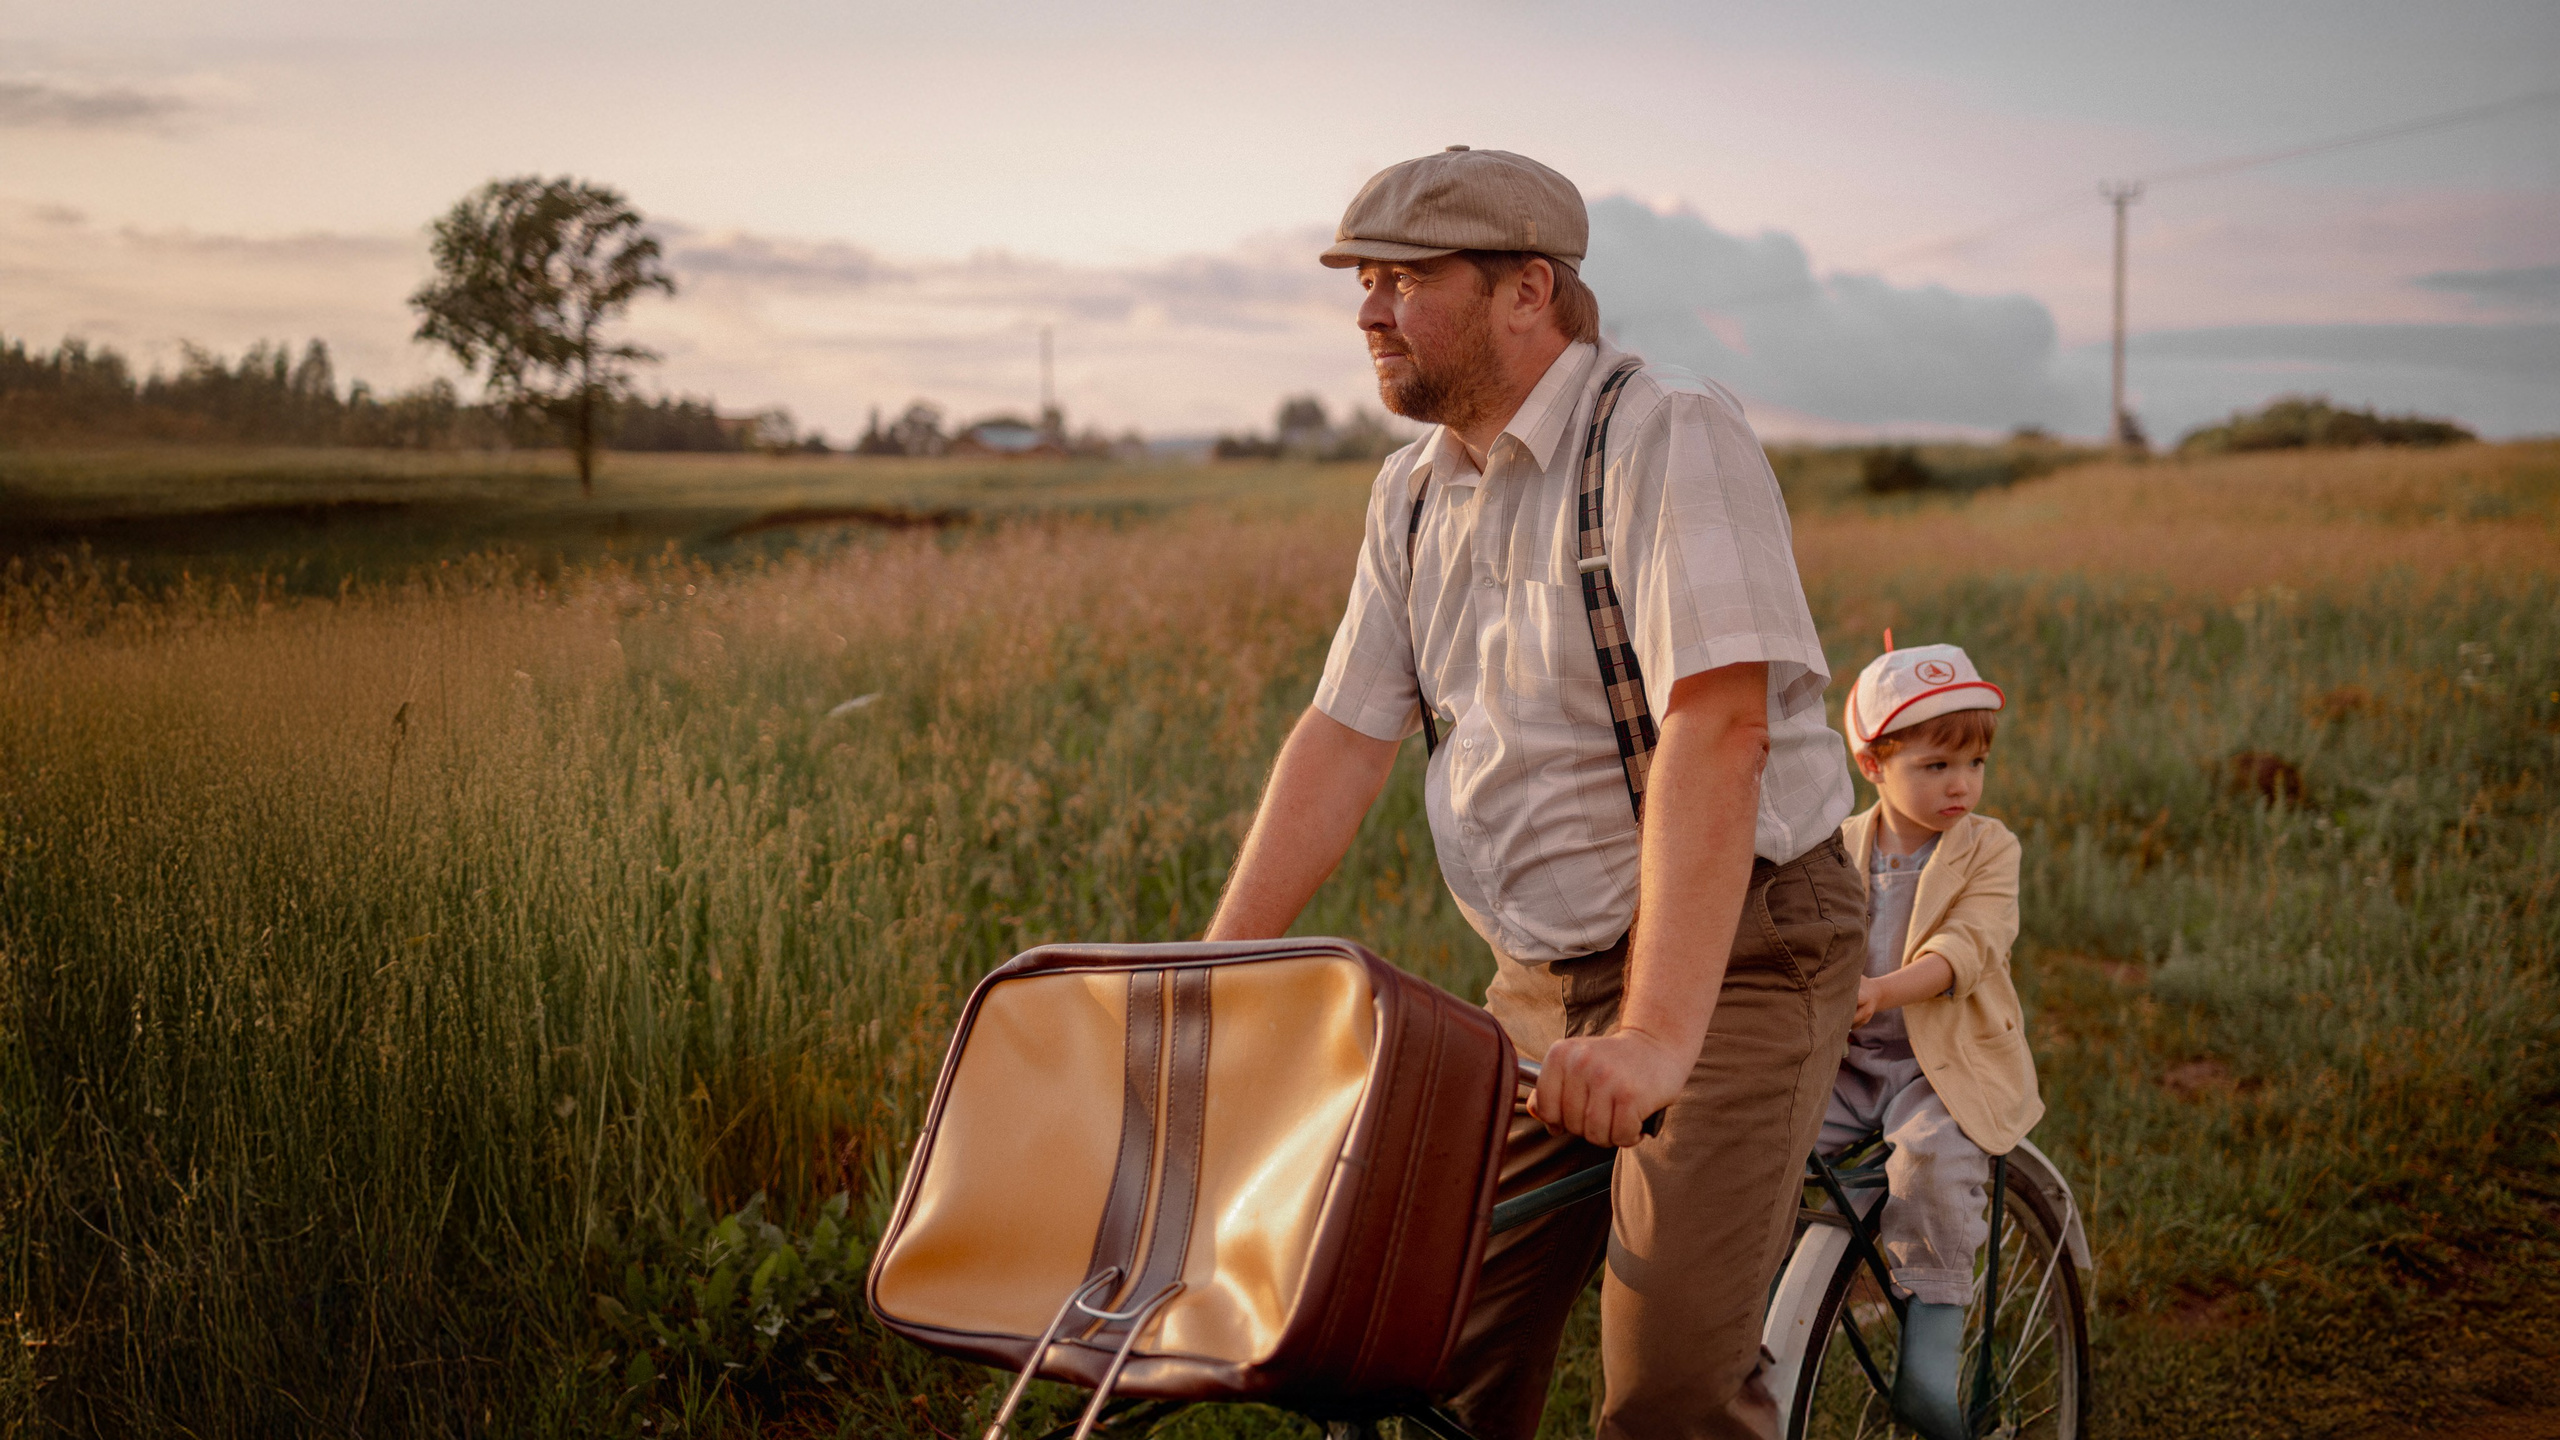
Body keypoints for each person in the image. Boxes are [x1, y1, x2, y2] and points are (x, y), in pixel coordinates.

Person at [1203, 145, 1862, 1440]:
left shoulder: (1665, 431)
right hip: (1536, 981)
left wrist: (1663, 1038)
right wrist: (1210, 973)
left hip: (1733, 962)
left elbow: (1716, 729)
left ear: (1527, 291)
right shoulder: (1409, 494)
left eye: (1401, 278)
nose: (1368, 311)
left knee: (1671, 1393)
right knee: (1422, 1353)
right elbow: (1343, 738)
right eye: (1362, 281)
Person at [1824, 641, 2043, 1440]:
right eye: (1935, 764)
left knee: (1932, 1159)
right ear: (1872, 762)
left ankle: (1930, 1353)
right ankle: (1768, 1304)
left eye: (1975, 763)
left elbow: (1969, 948)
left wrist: (1881, 989)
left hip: (1939, 1065)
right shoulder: (1840, 847)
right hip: (1849, 1064)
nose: (1961, 785)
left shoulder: (1988, 848)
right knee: (1766, 1140)